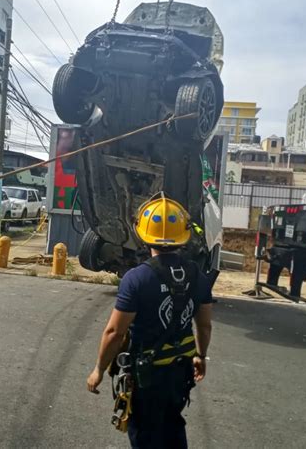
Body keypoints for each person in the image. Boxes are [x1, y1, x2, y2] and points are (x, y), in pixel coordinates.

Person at [87, 192, 213, 449]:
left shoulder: (137, 279)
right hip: (181, 371)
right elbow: (204, 324)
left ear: (143, 235)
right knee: (173, 423)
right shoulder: (197, 276)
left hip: (147, 375)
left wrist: (99, 369)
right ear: (183, 236)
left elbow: (114, 332)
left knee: (146, 432)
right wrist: (200, 354)